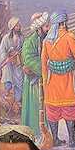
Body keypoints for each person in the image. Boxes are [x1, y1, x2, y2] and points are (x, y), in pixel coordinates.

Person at [41, 12, 75, 146]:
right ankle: (71, 140)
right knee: (70, 108)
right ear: (63, 23)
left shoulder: (46, 40)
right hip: (68, 81)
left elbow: (43, 63)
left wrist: (45, 82)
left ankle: (55, 139)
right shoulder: (69, 36)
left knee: (53, 110)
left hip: (52, 82)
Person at [21, 12, 50, 140]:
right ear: (39, 27)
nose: (48, 28)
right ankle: (36, 134)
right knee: (35, 106)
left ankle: (48, 134)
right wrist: (44, 68)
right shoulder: (30, 41)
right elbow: (29, 59)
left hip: (45, 79)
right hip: (34, 81)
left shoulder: (47, 39)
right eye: (46, 26)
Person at [0, 17, 24, 101]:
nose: (18, 27)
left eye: (19, 25)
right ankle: (7, 94)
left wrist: (20, 53)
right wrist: (7, 56)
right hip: (8, 62)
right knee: (8, 78)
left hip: (18, 61)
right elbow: (2, 51)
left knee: (19, 80)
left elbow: (23, 49)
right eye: (16, 26)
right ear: (12, 27)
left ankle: (18, 99)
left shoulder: (22, 37)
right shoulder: (6, 38)